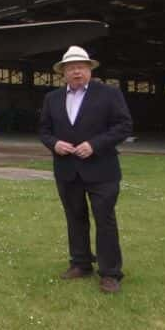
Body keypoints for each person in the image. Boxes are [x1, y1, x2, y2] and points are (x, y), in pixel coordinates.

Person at [39, 46, 132, 293]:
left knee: (105, 220)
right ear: (63, 73)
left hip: (102, 170)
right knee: (75, 218)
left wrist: (94, 145)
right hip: (67, 170)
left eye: (81, 66)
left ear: (89, 69)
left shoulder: (109, 94)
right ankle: (80, 263)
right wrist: (54, 143)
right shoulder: (52, 98)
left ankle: (111, 273)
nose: (76, 71)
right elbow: (44, 131)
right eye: (71, 68)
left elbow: (124, 126)